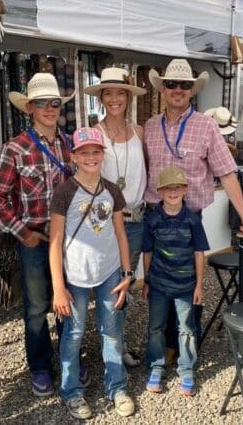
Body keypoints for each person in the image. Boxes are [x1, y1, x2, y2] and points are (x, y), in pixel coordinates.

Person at [143, 59, 243, 357]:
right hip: (155, 214)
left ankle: (185, 347)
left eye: (184, 85)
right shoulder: (150, 127)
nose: (177, 90)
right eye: (171, 84)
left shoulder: (206, 126)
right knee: (159, 281)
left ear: (192, 91)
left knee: (189, 282)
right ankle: (165, 344)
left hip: (190, 217)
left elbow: (227, 173)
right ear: (163, 89)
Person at [0, 72, 89, 397]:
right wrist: (22, 233)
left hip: (71, 241)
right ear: (29, 107)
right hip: (35, 239)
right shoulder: (15, 148)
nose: (49, 108)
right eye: (42, 102)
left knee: (69, 301)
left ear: (61, 107)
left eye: (55, 102)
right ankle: (41, 365)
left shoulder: (73, 145)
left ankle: (70, 359)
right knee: (36, 307)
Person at [50, 127, 135, 420]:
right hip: (75, 275)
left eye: (95, 152)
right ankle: (71, 392)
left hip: (110, 271)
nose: (90, 157)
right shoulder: (64, 192)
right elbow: (55, 242)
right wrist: (58, 287)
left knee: (111, 331)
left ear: (103, 155)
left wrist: (128, 273)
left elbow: (121, 234)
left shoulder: (112, 190)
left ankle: (117, 387)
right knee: (73, 334)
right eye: (83, 152)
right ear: (74, 157)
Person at [84, 67, 147, 367]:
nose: (114, 99)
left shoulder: (140, 133)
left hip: (136, 220)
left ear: (128, 97)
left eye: (119, 92)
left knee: (123, 286)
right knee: (105, 285)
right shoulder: (93, 134)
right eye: (107, 93)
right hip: (103, 222)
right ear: (101, 98)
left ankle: (115, 345)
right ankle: (110, 347)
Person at [142, 166, 209, 395]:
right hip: (159, 284)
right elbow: (147, 253)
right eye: (168, 188)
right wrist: (147, 281)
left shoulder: (192, 220)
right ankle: (156, 365)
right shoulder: (152, 220)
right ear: (160, 192)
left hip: (185, 286)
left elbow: (199, 253)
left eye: (177, 188)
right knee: (156, 327)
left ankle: (187, 368)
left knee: (187, 328)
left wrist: (199, 284)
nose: (172, 192)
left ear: (185, 190)